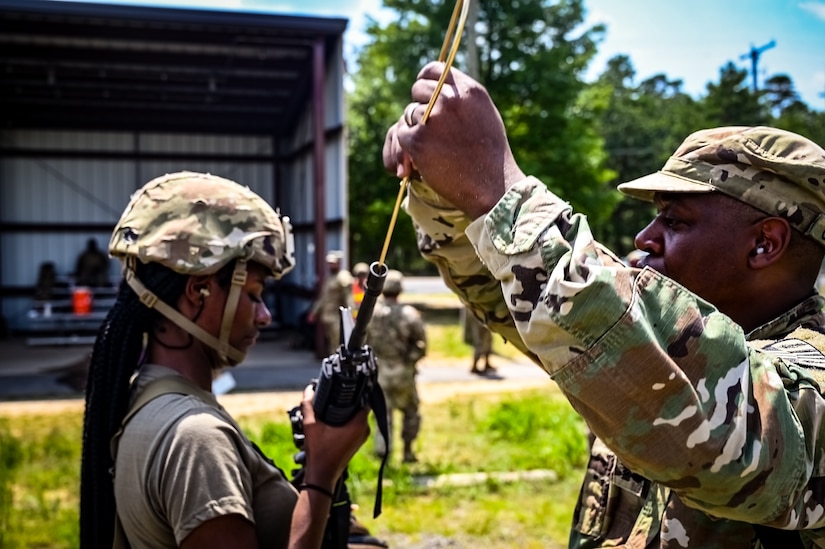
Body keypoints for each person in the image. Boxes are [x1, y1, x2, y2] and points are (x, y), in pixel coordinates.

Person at [383, 62, 825, 547]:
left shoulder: (809, 379)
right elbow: (509, 293)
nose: (644, 238)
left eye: (675, 222)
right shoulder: (647, 339)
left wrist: (499, 188)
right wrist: (445, 185)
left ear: (765, 244)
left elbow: (720, 427)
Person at [79, 171, 369, 549]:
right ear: (197, 291)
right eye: (253, 294)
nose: (264, 315)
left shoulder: (149, 399)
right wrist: (321, 476)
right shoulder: (197, 440)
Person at [367, 269, 427, 463]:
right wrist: (410, 359)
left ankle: (383, 453)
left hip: (379, 373)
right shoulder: (409, 314)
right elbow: (422, 344)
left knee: (382, 414)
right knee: (410, 411)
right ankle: (408, 452)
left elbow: (362, 342)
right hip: (403, 372)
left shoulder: (371, 313)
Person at [308, 251, 354, 355]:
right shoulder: (330, 277)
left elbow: (348, 298)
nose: (331, 265)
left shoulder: (343, 277)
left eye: (333, 263)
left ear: (339, 263)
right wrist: (314, 312)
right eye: (329, 263)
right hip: (328, 317)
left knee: (338, 342)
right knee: (331, 342)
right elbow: (323, 297)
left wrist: (351, 315)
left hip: (338, 318)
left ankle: (339, 363)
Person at [464, 307, 496, 375]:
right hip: (477, 310)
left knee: (488, 337)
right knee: (480, 339)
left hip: (484, 311)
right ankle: (474, 365)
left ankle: (486, 362)